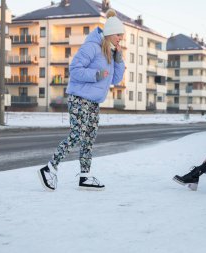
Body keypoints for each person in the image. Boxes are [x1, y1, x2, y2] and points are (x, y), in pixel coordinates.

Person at [38, 9, 125, 191]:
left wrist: (118, 59)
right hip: (79, 98)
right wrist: (96, 74)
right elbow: (75, 69)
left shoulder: (110, 52)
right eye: (119, 34)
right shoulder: (92, 46)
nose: (121, 38)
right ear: (110, 33)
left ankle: (84, 176)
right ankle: (49, 168)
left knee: (89, 138)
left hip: (93, 102)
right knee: (77, 134)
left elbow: (116, 80)